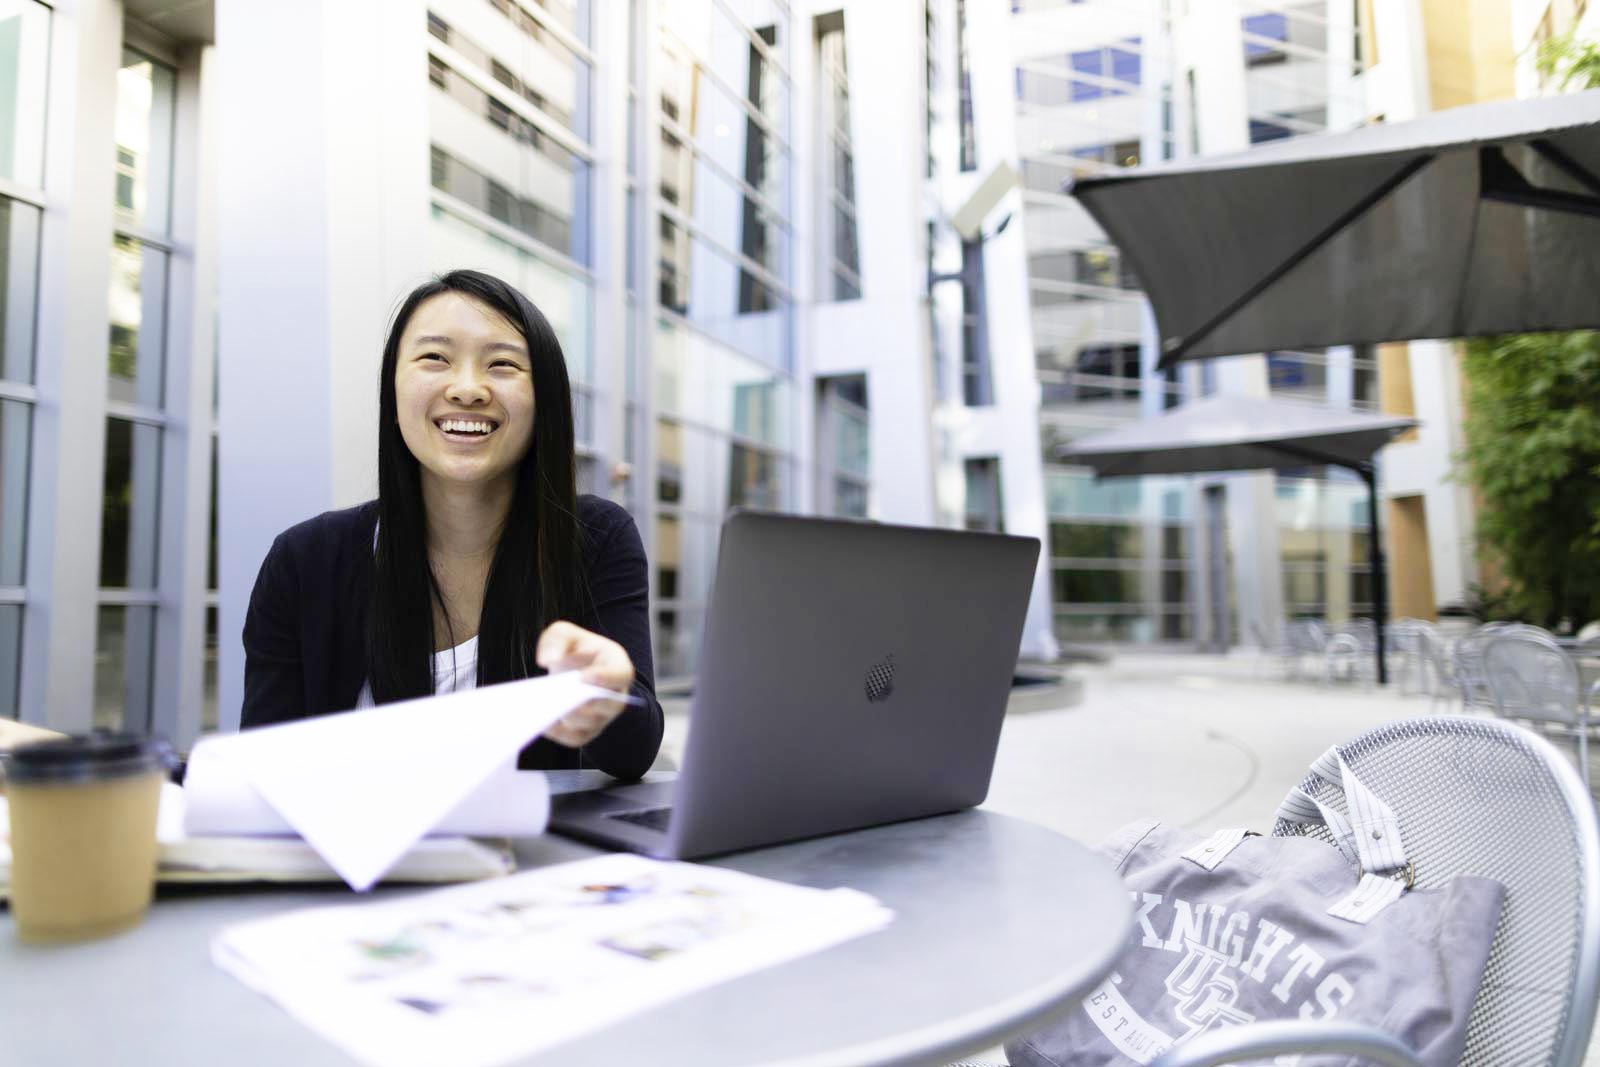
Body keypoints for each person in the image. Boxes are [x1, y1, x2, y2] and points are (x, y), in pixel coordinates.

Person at [240, 270, 663, 778]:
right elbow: (261, 770)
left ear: (544, 402)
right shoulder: (303, 561)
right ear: (393, 395)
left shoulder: (595, 537)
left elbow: (633, 756)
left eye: (503, 364)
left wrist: (607, 697)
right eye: (435, 358)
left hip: (532, 857)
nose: (468, 389)